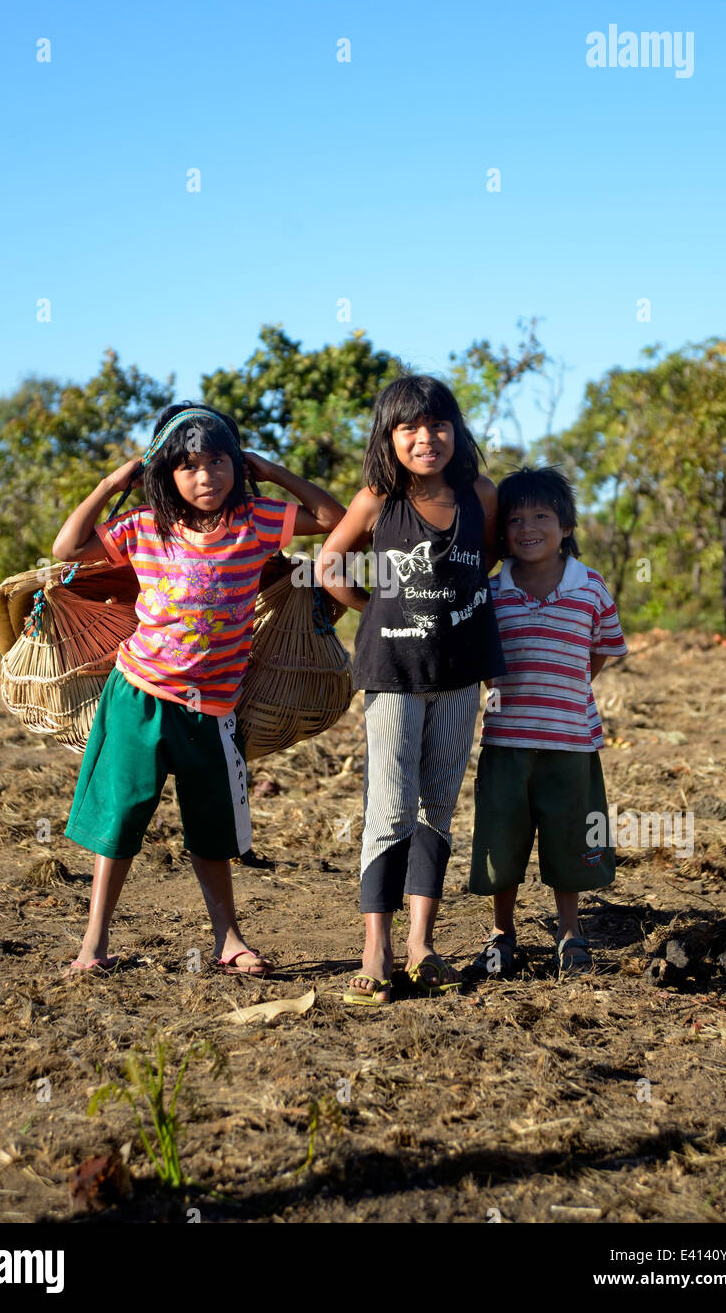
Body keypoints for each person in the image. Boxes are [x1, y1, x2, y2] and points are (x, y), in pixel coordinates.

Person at [53, 402, 344, 976]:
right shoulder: (143, 527)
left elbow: (333, 517)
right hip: (139, 695)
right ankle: (94, 943)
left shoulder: (256, 521)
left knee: (213, 827)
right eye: (188, 466)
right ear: (163, 473)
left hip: (213, 707)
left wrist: (271, 470)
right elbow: (66, 549)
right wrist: (113, 482)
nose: (206, 476)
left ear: (237, 464)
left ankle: (228, 940)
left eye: (218, 462)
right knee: (119, 820)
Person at [318, 375, 506, 1004]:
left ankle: (422, 947)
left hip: (459, 676)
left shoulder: (480, 495)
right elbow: (330, 564)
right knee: (390, 806)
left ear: (456, 431)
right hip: (393, 674)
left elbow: (485, 558)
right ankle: (375, 950)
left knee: (438, 805)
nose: (427, 438)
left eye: (438, 425)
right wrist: (374, 608)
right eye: (410, 428)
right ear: (389, 437)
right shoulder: (378, 499)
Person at [468, 465, 627, 976]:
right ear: (501, 532)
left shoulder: (590, 586)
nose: (528, 528)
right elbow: (481, 657)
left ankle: (570, 930)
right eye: (515, 519)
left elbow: (601, 648)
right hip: (506, 741)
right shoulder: (491, 590)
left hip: (571, 741)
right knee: (501, 841)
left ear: (566, 526)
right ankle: (502, 931)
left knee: (570, 837)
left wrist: (568, 689)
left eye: (542, 516)